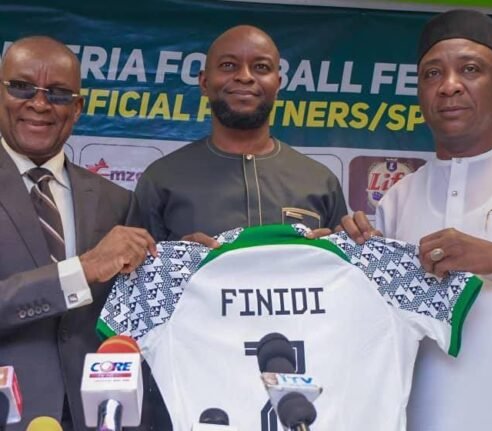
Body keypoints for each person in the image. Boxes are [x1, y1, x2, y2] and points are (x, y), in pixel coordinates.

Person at [340, 9, 492, 431]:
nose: (449, 85)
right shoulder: (399, 198)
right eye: (432, 74)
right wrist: (354, 262)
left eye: (470, 69)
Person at [0, 36, 159, 430]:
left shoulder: (116, 201)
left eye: (57, 93)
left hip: (100, 416)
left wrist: (192, 265)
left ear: (77, 108)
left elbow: (135, 319)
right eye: (22, 87)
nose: (39, 104)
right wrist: (81, 270)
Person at [132, 25, 347, 244]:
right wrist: (181, 258)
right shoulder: (161, 179)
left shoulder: (320, 181)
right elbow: (137, 264)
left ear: (278, 85)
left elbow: (341, 263)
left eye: (261, 67)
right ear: (204, 82)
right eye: (228, 65)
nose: (245, 77)